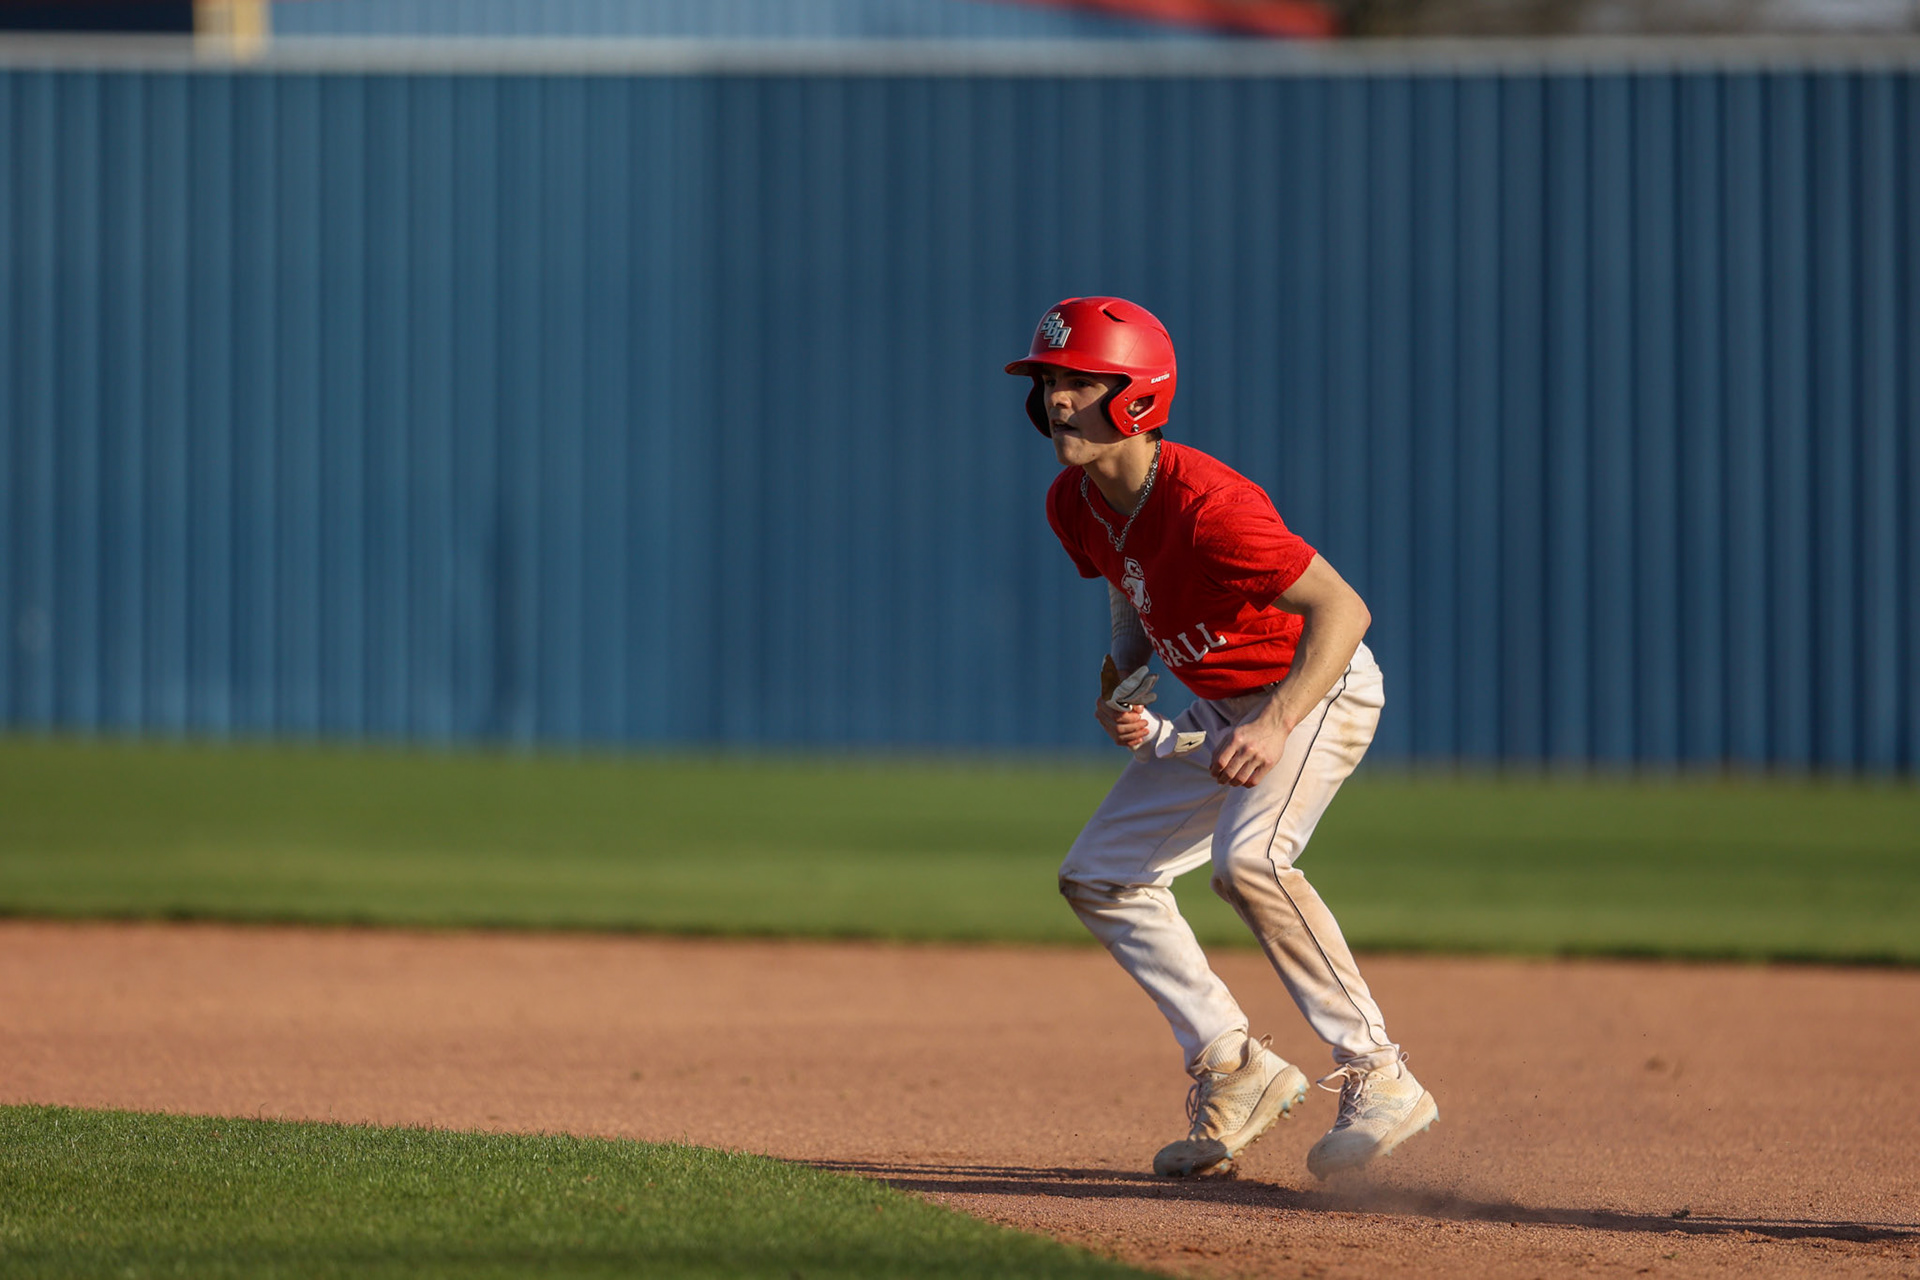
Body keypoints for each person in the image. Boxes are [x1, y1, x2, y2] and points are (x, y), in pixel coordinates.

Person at [1007, 296, 1437, 1180]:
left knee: (1250, 862)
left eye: (1081, 382)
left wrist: (1277, 723)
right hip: (1225, 705)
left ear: (1137, 396)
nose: (1057, 400)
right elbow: (1129, 584)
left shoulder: (1209, 506)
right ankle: (1236, 1067)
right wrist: (1122, 677)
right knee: (1101, 875)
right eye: (1049, 381)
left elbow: (1343, 610)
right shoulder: (1074, 501)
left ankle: (1381, 1075)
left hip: (1313, 690)